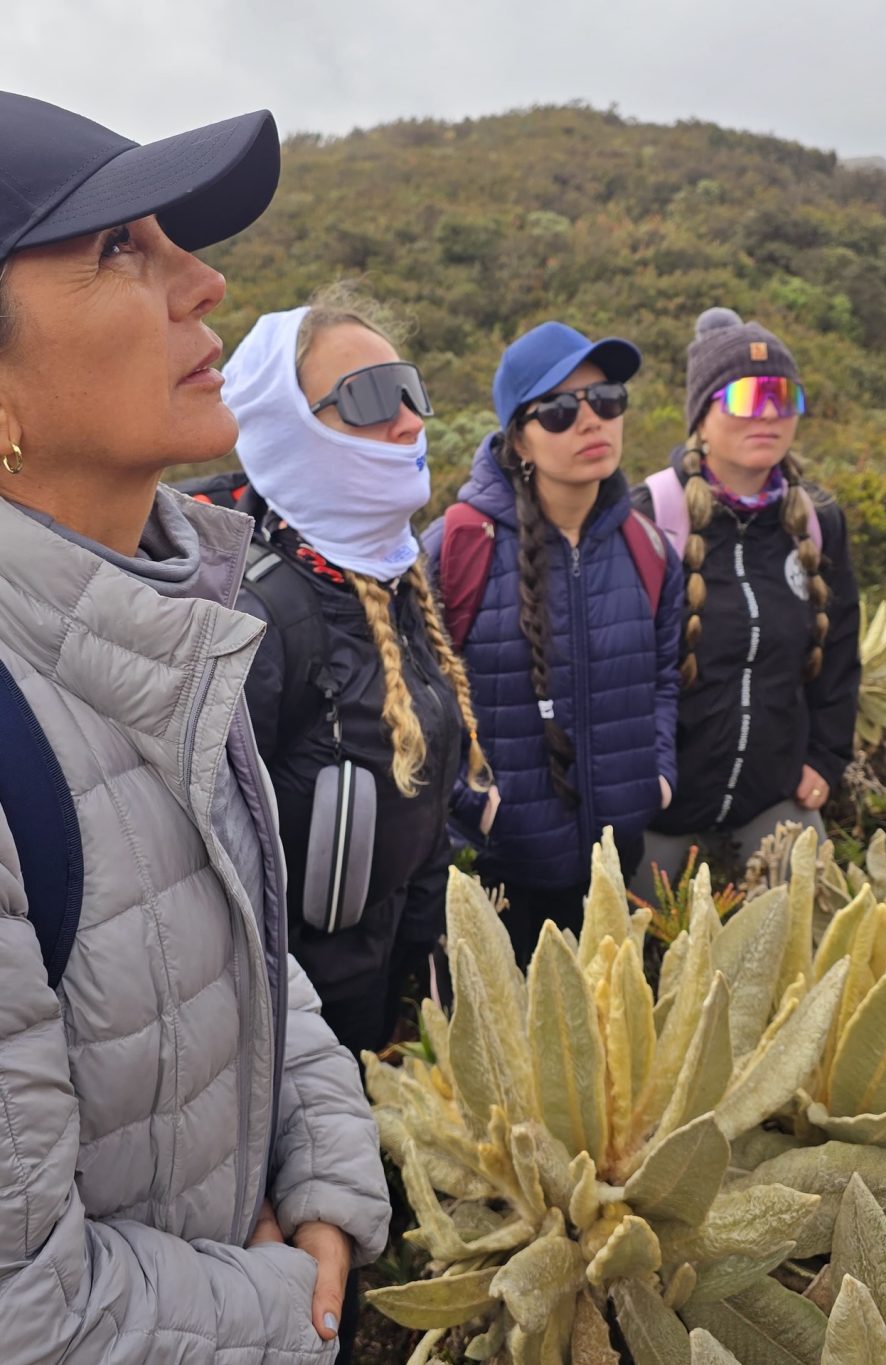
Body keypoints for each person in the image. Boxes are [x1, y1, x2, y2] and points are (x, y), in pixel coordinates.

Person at [0, 93, 390, 1364]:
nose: (206, 282)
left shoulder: (179, 618)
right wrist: (291, 1313)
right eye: (119, 248)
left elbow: (247, 937)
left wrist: (328, 1166)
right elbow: (27, 1307)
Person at [218, 284, 488, 1057]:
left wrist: (419, 979)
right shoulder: (256, 617)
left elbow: (423, 795)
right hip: (290, 1042)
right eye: (369, 398)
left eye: (407, 388)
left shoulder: (394, 578)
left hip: (382, 1001)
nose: (408, 421)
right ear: (285, 428)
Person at [424, 321, 682, 966]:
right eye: (560, 411)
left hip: (616, 866)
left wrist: (657, 779)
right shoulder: (456, 548)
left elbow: (666, 682)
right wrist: (476, 808)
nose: (591, 422)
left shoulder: (650, 550)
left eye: (607, 401)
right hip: (499, 874)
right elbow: (415, 703)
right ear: (519, 440)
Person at [632, 306, 860, 894]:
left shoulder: (816, 522)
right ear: (701, 418)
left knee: (805, 961)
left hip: (772, 798)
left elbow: (838, 654)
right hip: (657, 811)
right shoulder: (648, 516)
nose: (768, 414)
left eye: (782, 395)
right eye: (744, 396)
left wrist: (828, 759)